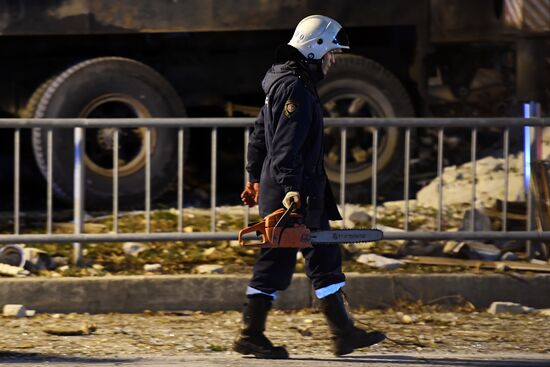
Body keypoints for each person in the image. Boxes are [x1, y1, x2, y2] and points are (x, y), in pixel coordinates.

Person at [233, 15, 386, 359]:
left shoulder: (287, 82)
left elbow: (260, 134)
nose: (333, 59)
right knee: (274, 263)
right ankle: (250, 335)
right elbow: (285, 144)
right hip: (292, 193)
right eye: (331, 52)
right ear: (316, 49)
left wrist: (253, 175)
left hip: (300, 190)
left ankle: (344, 333)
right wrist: (287, 187)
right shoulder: (295, 89)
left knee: (325, 259)